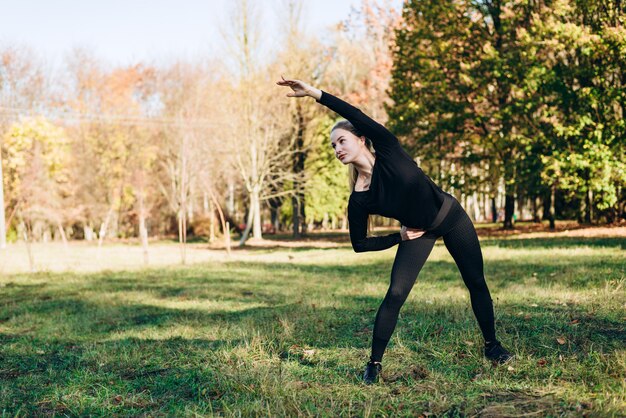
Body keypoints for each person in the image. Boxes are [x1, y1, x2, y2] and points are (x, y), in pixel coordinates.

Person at [277, 76, 513, 384]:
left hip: (451, 217)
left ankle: (492, 346)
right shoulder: (360, 197)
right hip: (418, 232)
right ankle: (373, 365)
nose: (337, 149)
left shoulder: (388, 148)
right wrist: (397, 237)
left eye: (341, 141)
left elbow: (356, 114)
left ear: (361, 139)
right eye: (333, 145)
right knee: (396, 292)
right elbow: (359, 244)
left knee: (475, 281)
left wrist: (313, 94)